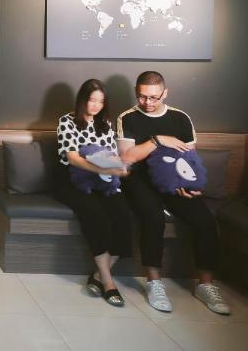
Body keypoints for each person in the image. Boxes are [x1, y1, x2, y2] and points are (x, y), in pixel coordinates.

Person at [118, 70, 229, 315]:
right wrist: (157, 140)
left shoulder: (181, 118)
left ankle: (206, 285)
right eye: (142, 96)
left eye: (153, 97)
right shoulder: (128, 117)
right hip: (139, 181)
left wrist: (188, 185)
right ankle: (154, 283)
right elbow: (127, 158)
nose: (147, 102)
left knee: (205, 220)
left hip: (174, 181)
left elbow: (190, 158)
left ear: (165, 93)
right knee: (153, 217)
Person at [54, 79, 131, 306]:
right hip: (73, 180)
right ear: (82, 100)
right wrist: (101, 169)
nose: (96, 105)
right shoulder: (67, 121)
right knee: (96, 216)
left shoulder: (105, 123)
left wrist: (119, 167)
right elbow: (73, 158)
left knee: (123, 217)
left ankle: (97, 276)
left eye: (101, 101)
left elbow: (110, 154)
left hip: (103, 180)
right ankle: (108, 282)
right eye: (92, 100)